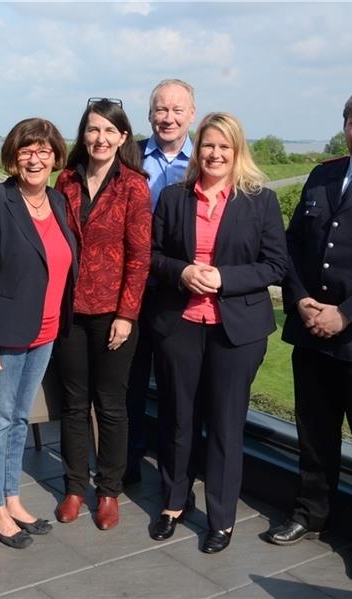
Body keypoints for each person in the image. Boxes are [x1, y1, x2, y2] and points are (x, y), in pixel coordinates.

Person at [266, 81, 352, 583]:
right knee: (314, 433)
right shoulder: (323, 177)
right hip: (310, 332)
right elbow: (293, 249)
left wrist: (345, 314)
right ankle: (309, 513)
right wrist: (302, 300)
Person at [148, 112, 287, 553]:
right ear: (197, 148)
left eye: (224, 146)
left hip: (237, 330)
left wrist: (224, 278)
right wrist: (183, 271)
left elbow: (275, 266)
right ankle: (174, 502)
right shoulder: (173, 198)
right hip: (180, 324)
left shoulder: (259, 201)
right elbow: (151, 256)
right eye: (208, 145)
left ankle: (222, 519)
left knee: (226, 426)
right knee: (177, 418)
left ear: (237, 152)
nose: (215, 153)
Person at [0, 118, 76, 548]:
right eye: (27, 150)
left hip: (45, 332)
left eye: (44, 151)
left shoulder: (58, 201)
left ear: (55, 157)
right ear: (13, 156)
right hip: (5, 336)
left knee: (17, 418)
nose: (35, 158)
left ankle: (12, 497)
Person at [54, 98, 152, 530]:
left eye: (109, 131)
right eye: (93, 130)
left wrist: (127, 314)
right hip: (69, 312)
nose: (100, 138)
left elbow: (140, 257)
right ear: (84, 134)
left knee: (111, 406)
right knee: (74, 406)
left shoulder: (133, 185)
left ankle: (108, 491)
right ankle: (75, 487)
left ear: (122, 138)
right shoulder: (66, 181)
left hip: (115, 314)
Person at [125, 79, 197, 484]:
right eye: (160, 109)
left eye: (176, 110)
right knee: (129, 385)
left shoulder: (206, 159)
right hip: (133, 290)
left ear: (192, 114)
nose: (167, 118)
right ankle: (128, 465)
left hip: (180, 293)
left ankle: (177, 477)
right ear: (149, 113)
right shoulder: (128, 154)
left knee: (176, 390)